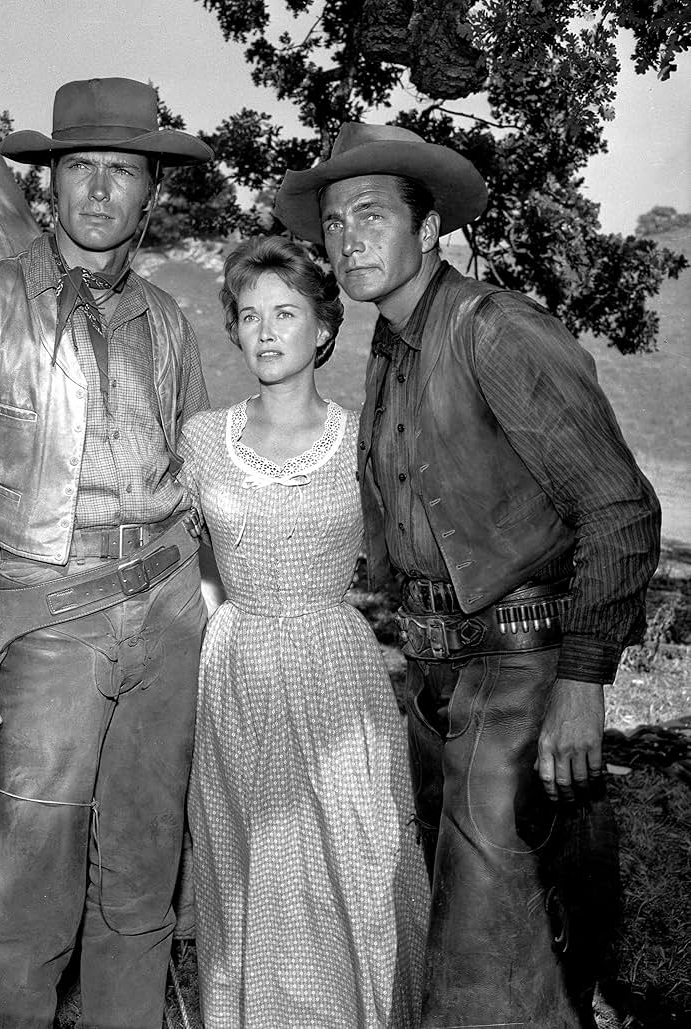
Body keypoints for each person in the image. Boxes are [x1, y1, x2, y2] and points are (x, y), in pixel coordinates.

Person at [273, 122, 662, 1028]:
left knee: (483, 950)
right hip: (436, 675)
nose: (350, 237)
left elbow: (620, 509)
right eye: (333, 223)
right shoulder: (389, 348)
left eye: (373, 214)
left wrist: (582, 681)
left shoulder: (496, 331)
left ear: (428, 227)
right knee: (471, 922)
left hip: (519, 665)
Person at [0, 77, 213, 1029]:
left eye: (122, 170)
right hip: (50, 609)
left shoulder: (165, 321)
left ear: (151, 189)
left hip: (167, 606)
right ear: (49, 181)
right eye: (81, 167)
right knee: (29, 883)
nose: (101, 189)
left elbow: (195, 467)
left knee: (143, 873)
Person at [177, 236, 428, 1028]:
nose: (266, 331)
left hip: (334, 662)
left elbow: (410, 553)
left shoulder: (363, 439)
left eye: (286, 312)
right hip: (238, 661)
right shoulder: (202, 441)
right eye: (248, 315)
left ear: (323, 328)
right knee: (253, 861)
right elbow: (172, 552)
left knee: (352, 853)